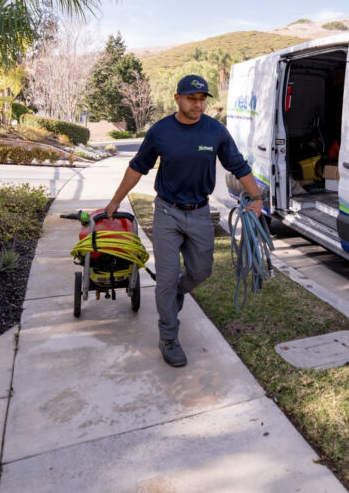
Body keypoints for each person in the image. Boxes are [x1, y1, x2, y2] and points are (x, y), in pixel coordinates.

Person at [105, 74, 263, 367]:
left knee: (202, 270)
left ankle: (179, 289)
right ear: (177, 98)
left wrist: (256, 198)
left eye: (203, 99)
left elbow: (238, 165)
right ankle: (169, 336)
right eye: (192, 99)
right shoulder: (161, 131)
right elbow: (137, 167)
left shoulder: (215, 131)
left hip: (200, 212)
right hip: (167, 212)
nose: (198, 104)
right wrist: (115, 200)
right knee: (165, 277)